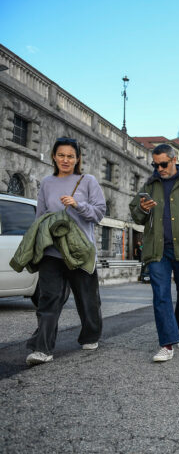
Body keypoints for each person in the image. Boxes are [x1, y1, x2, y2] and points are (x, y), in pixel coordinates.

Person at [25, 137, 107, 366]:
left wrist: (77, 204)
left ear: (78, 158)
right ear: (53, 156)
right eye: (61, 155)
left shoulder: (87, 181)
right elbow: (40, 216)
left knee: (88, 299)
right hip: (52, 251)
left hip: (81, 251)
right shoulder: (47, 183)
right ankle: (43, 349)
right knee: (48, 298)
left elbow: (99, 213)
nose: (65, 160)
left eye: (71, 156)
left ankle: (90, 335)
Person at [129, 144, 179, 362]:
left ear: (174, 160)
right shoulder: (150, 184)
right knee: (160, 295)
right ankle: (166, 343)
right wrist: (144, 209)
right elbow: (136, 216)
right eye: (155, 165)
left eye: (163, 164)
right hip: (158, 250)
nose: (159, 169)